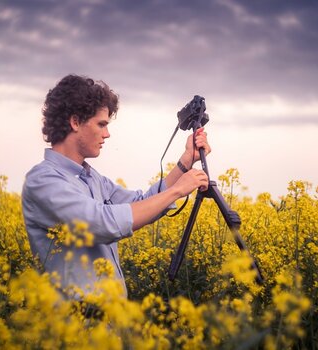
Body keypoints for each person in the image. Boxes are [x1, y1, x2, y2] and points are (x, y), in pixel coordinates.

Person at [21, 74, 210, 299]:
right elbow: (102, 223)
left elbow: (142, 203)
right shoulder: (43, 181)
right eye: (101, 124)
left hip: (109, 324)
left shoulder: (93, 179)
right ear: (75, 122)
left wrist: (186, 161)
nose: (107, 134)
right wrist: (177, 190)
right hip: (76, 326)